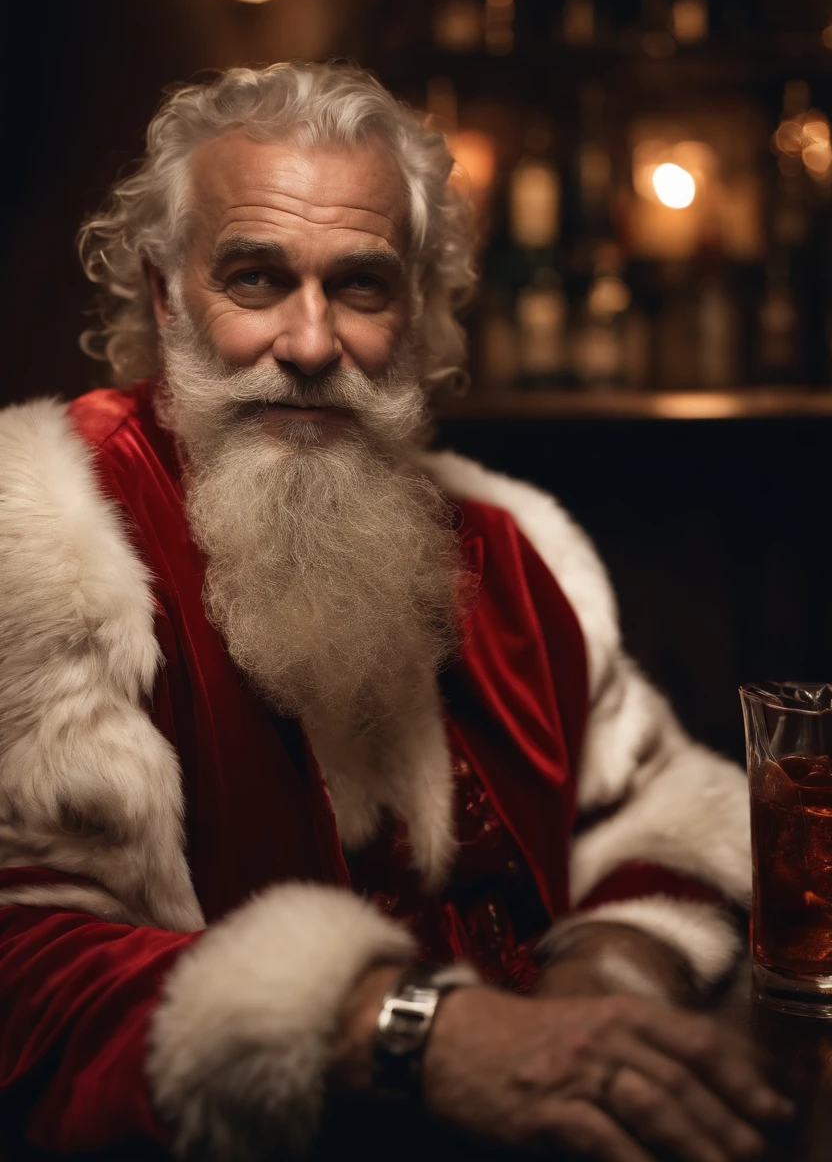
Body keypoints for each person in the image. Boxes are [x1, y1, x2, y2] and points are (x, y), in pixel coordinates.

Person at [0, 62, 788, 1162]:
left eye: (360, 287)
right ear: (164, 291)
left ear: (415, 308)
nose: (313, 343)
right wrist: (404, 1031)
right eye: (256, 278)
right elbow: (24, 974)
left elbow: (657, 807)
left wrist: (611, 966)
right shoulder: (43, 535)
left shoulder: (505, 547)